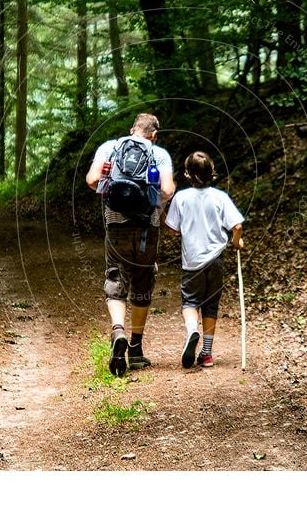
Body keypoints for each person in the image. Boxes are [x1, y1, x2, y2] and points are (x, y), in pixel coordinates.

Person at [86, 113, 175, 376]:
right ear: (154, 135)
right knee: (142, 280)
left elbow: (92, 181)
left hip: (115, 225)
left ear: (132, 130)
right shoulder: (159, 154)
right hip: (148, 227)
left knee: (116, 278)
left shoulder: (110, 147)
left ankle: (118, 330)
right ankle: (135, 348)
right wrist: (154, 203)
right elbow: (168, 190)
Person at [165, 151, 244, 368]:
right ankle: (207, 353)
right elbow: (236, 226)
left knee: (190, 301)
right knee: (211, 306)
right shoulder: (220, 197)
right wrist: (236, 241)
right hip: (216, 260)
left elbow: (171, 229)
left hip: (192, 261)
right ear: (212, 172)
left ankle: (192, 330)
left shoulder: (181, 197)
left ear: (187, 174)